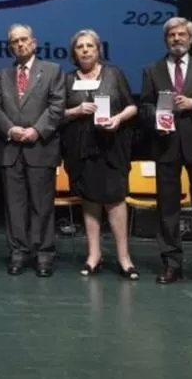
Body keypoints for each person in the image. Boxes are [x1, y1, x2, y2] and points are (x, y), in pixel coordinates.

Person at [140, 17, 192, 289]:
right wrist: (158, 118)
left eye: (182, 35)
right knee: (167, 207)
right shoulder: (152, 70)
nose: (177, 39)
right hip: (165, 145)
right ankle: (171, 263)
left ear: (190, 39)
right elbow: (144, 106)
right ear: (166, 39)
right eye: (172, 35)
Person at [61, 29, 139, 280]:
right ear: (74, 53)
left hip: (112, 145)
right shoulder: (67, 79)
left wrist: (117, 118)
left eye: (90, 46)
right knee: (90, 199)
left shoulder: (114, 74)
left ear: (98, 50)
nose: (85, 50)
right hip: (80, 147)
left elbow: (132, 106)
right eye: (80, 47)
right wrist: (76, 110)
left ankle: (124, 257)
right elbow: (57, 113)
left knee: (115, 199)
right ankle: (93, 255)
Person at [0, 24, 64, 277]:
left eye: (24, 40)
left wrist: (36, 130)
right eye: (15, 41)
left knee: (42, 205)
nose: (20, 44)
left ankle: (44, 254)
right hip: (11, 148)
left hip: (40, 146)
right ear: (10, 46)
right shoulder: (1, 75)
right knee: (15, 206)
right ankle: (18, 252)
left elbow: (57, 106)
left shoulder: (53, 71)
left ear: (34, 42)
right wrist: (10, 130)